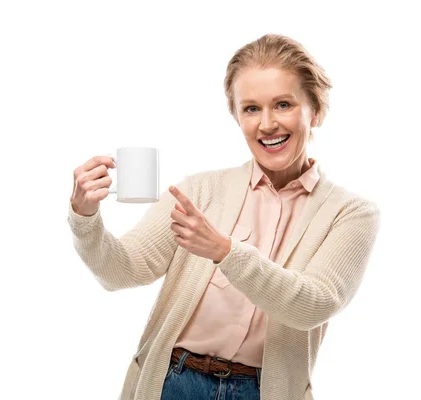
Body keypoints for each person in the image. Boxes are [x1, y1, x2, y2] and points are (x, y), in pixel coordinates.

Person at [67, 33, 381, 400]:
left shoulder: (351, 213)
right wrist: (85, 217)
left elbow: (313, 304)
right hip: (173, 382)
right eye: (251, 109)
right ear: (236, 116)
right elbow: (120, 271)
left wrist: (225, 252)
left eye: (283, 104)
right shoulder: (201, 191)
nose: (267, 124)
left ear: (317, 111)